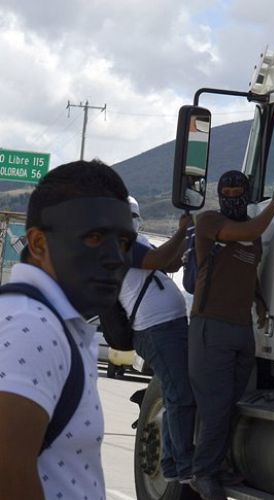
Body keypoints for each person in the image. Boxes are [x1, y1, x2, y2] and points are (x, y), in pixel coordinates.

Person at [0, 160, 135, 500]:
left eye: (123, 242)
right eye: (94, 237)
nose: (115, 258)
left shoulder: (49, 322)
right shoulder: (32, 327)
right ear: (38, 244)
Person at [188, 171, 274, 500]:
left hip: (241, 329)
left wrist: (259, 302)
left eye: (238, 189)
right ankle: (203, 473)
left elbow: (248, 270)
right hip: (210, 327)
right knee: (216, 408)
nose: (232, 194)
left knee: (232, 406)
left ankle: (220, 465)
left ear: (245, 193)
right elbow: (251, 229)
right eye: (226, 190)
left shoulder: (252, 236)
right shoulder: (209, 222)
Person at [121, 195, 195, 484]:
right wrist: (180, 232)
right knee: (179, 395)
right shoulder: (121, 245)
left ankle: (172, 462)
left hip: (167, 327)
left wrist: (185, 236)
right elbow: (158, 260)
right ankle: (183, 465)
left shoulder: (136, 244)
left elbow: (172, 264)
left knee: (174, 393)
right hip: (156, 329)